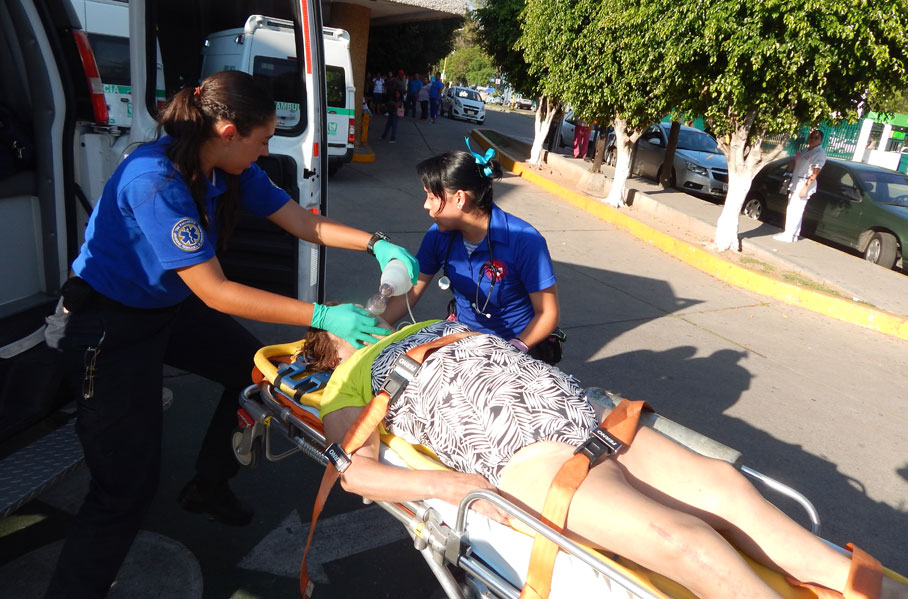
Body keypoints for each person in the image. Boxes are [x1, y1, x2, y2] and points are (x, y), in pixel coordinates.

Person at [42, 70, 418, 599]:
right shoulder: (155, 180)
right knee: (122, 490)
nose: (266, 151)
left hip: (163, 310)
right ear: (227, 133)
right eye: (262, 140)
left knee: (252, 370)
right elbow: (216, 291)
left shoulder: (227, 169)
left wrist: (377, 243)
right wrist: (324, 316)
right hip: (107, 326)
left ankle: (208, 483)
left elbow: (302, 222)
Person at [306, 319, 907, 599]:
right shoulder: (346, 382)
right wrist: (452, 486)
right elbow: (356, 473)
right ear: (330, 349)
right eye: (340, 320)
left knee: (730, 490)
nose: (360, 314)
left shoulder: (429, 324)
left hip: (588, 415)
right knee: (685, 542)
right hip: (524, 449)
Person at [383, 145, 563, 364]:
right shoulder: (438, 235)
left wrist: (513, 349)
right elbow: (412, 290)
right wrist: (375, 323)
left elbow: (547, 313)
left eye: (431, 197)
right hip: (465, 340)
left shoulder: (524, 240)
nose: (425, 205)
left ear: (459, 198)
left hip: (519, 346)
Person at [773, 129, 827, 243]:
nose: (812, 139)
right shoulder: (806, 150)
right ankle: (793, 234)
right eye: (811, 137)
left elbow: (815, 172)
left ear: (821, 140)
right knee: (792, 209)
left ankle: (789, 235)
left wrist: (805, 188)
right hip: (796, 182)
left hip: (803, 185)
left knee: (795, 210)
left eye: (816, 138)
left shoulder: (819, 153)